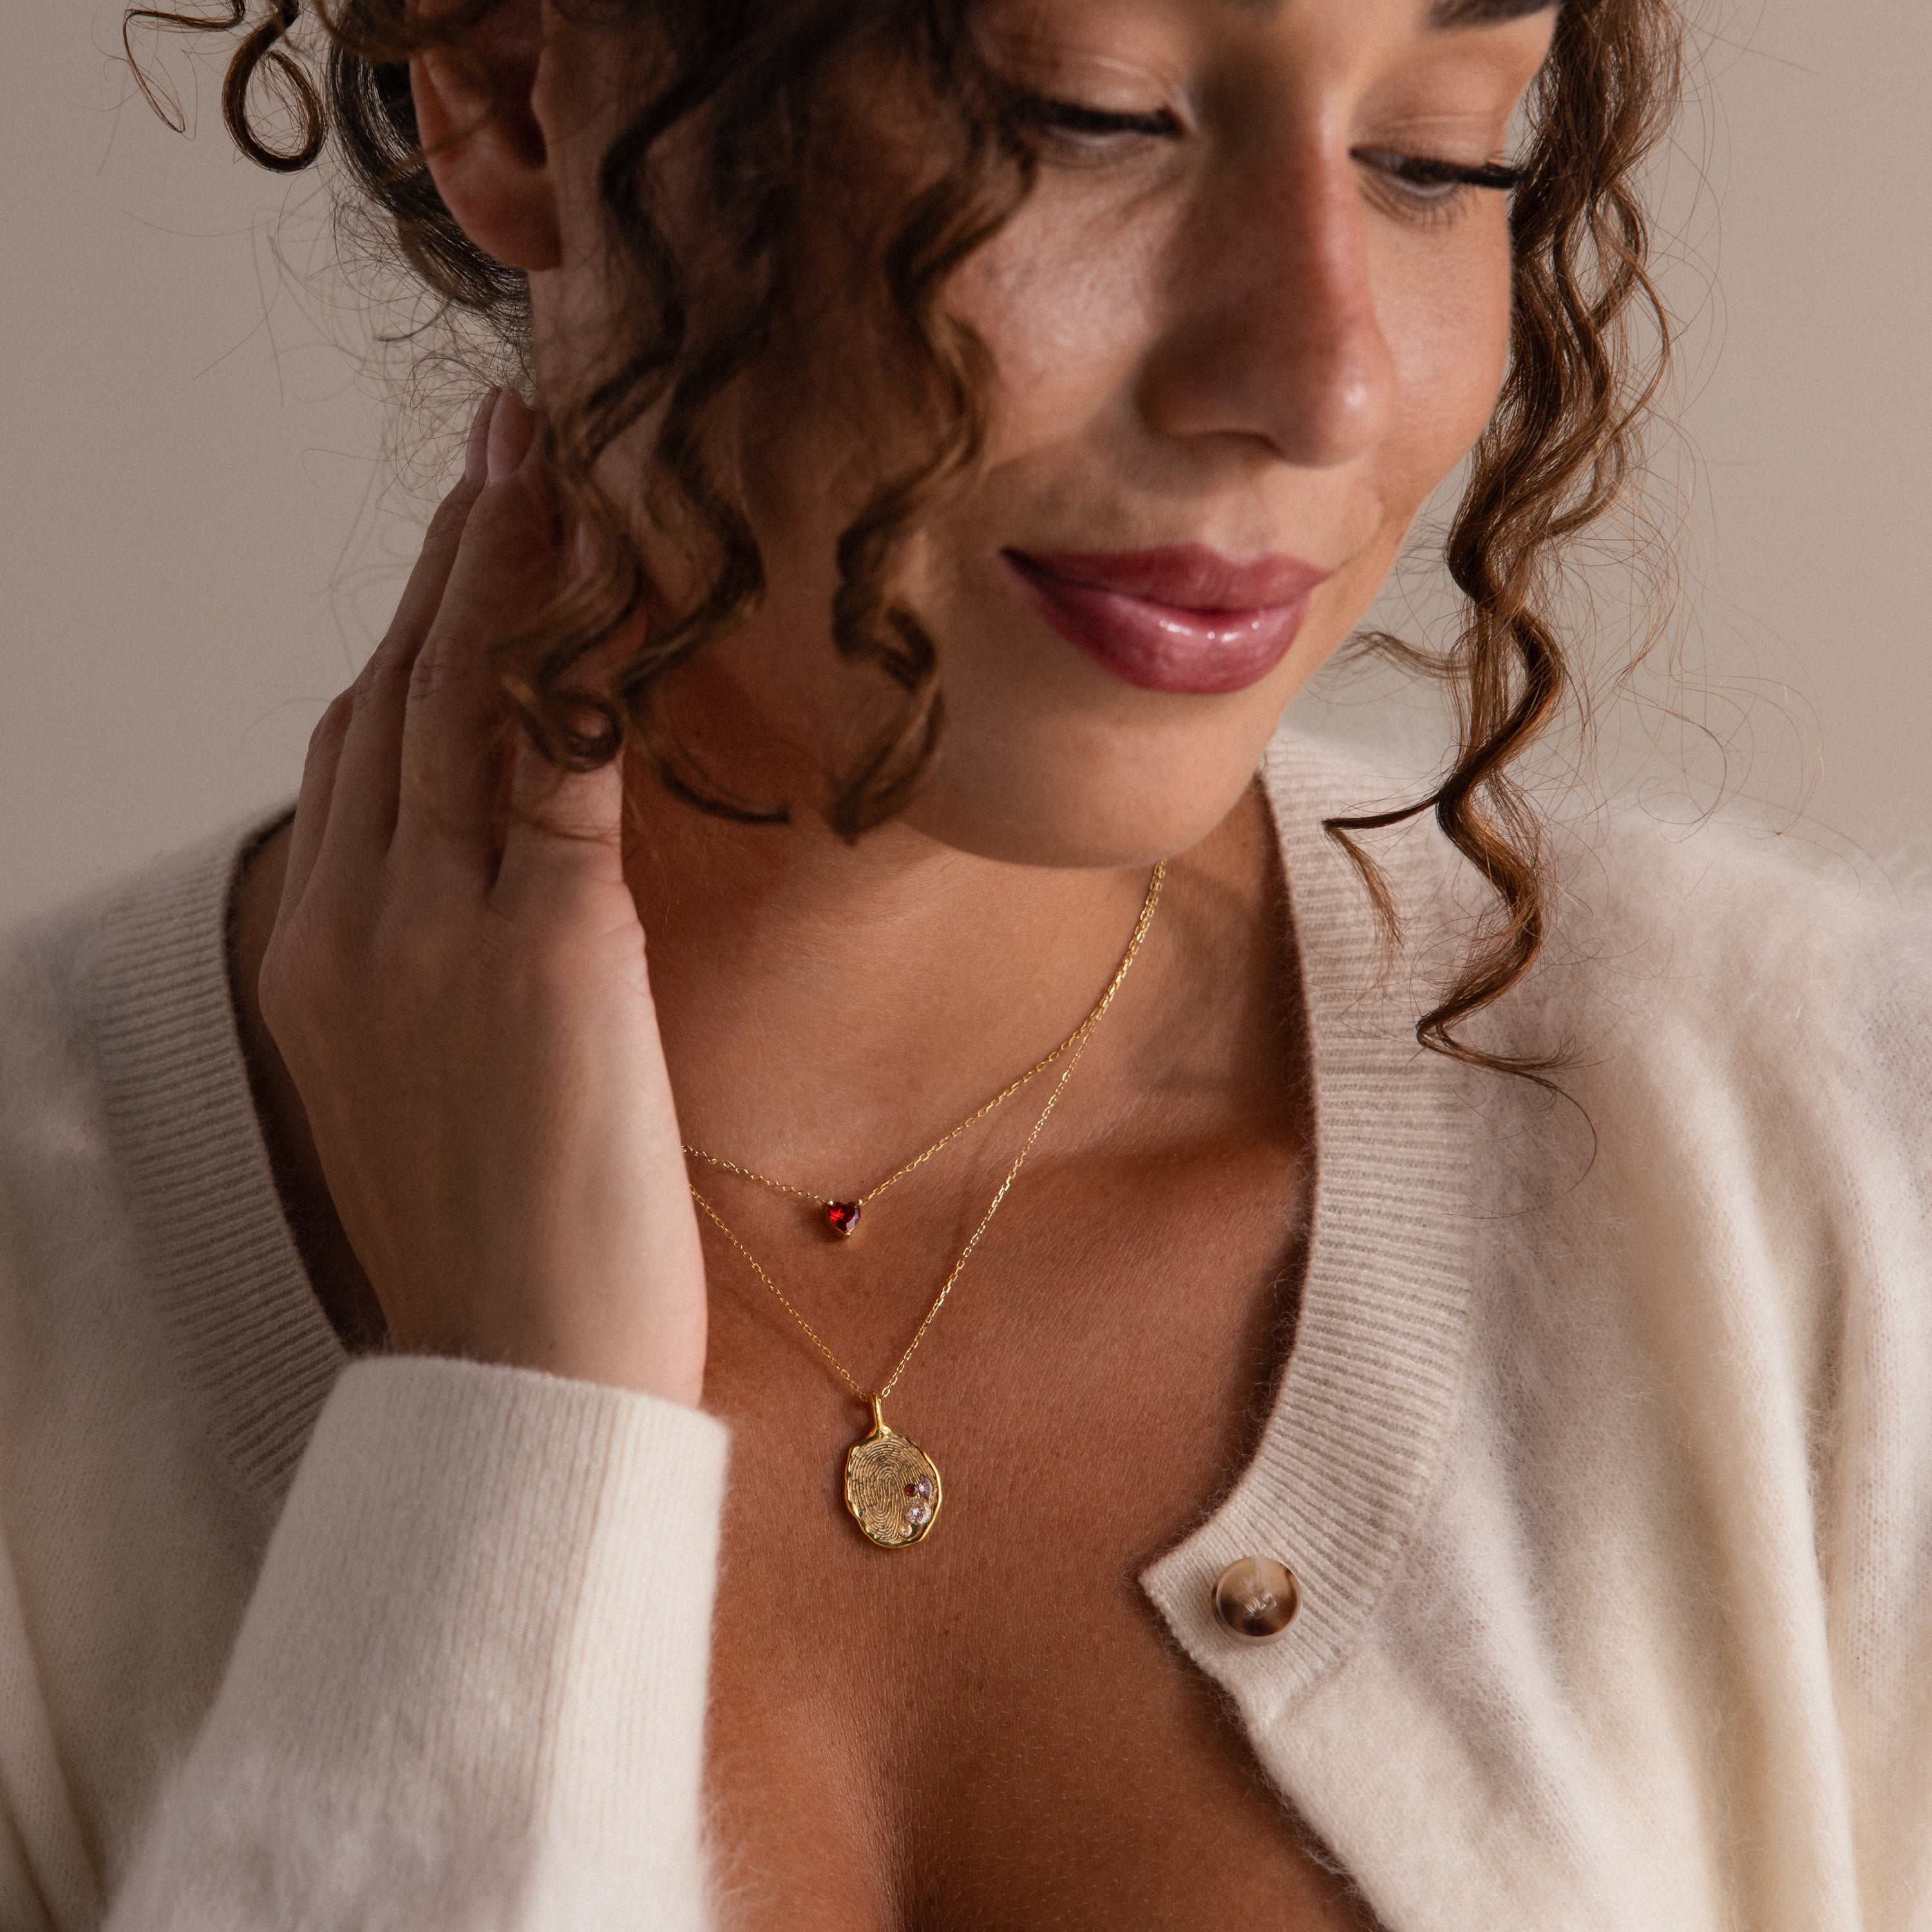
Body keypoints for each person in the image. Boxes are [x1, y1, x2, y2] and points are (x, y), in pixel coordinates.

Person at [3, 0, 1927, 1926]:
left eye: (1436, 155)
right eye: (1090, 119)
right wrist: (500, 1455)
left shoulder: (1836, 1176)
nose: (1326, 380)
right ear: (519, 85)